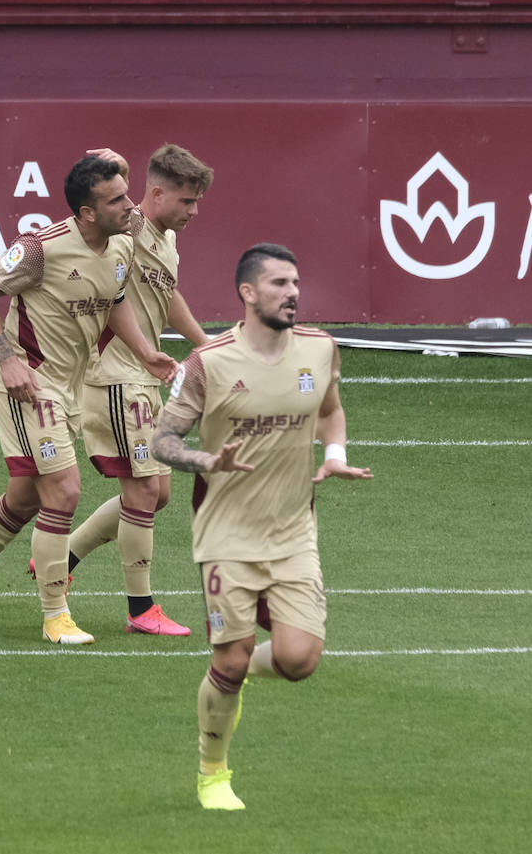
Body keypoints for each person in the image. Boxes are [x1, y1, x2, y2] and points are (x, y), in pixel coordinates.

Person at [151, 242, 373, 810]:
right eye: (278, 284)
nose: (292, 293)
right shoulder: (210, 361)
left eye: (295, 283)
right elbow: (163, 439)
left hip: (294, 526)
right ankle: (212, 773)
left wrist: (335, 451)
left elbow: (328, 408)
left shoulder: (321, 349)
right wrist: (207, 461)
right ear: (247, 293)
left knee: (300, 660)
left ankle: (235, 669)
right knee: (229, 656)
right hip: (225, 531)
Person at [0, 155, 177, 645]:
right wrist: (7, 359)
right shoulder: (41, 248)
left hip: (70, 390)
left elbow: (116, 301)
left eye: (127, 195)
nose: (130, 206)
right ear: (87, 212)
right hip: (28, 385)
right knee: (63, 491)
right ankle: (55, 615)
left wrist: (146, 352)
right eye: (117, 200)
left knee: (22, 502)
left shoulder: (121, 245)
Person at [38, 144, 214, 637]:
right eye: (187, 201)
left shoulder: (165, 238)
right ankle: (141, 609)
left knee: (157, 495)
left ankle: (64, 554)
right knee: (139, 492)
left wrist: (203, 341)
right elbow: (94, 211)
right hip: (114, 376)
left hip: (143, 376)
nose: (194, 211)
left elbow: (167, 292)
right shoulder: (130, 226)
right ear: (156, 195)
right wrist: (121, 168)